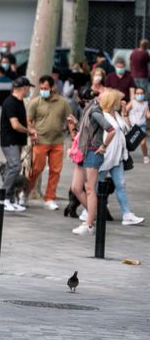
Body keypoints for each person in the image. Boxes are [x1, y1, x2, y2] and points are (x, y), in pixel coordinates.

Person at [70, 90, 117, 235]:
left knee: (89, 188)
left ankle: (89, 224)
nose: (78, 102)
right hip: (84, 152)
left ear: (84, 99)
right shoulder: (88, 110)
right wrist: (76, 123)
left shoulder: (94, 111)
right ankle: (93, 214)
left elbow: (111, 130)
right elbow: (88, 130)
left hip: (92, 152)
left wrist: (103, 147)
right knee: (76, 188)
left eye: (79, 99)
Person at [99, 91, 144, 226]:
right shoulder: (103, 116)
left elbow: (127, 129)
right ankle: (87, 210)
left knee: (121, 185)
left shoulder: (116, 114)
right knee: (95, 186)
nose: (121, 102)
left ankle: (127, 214)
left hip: (117, 157)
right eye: (119, 100)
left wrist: (124, 112)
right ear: (112, 102)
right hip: (106, 157)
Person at [27, 75, 71, 210]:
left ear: (53, 87)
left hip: (57, 141)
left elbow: (69, 120)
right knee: (36, 169)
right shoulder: (36, 102)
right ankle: (25, 192)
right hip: (40, 141)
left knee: (55, 171)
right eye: (41, 88)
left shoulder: (63, 102)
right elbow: (28, 120)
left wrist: (74, 136)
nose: (43, 90)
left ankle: (49, 198)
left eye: (45, 88)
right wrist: (31, 131)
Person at [0, 77, 35, 212]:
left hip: (17, 141)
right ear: (23, 88)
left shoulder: (20, 102)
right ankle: (2, 197)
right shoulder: (10, 103)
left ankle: (9, 199)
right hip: (9, 141)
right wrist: (29, 130)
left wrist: (31, 129)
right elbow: (15, 125)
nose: (29, 90)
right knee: (15, 166)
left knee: (11, 168)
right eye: (28, 87)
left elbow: (23, 120)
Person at [125, 86, 148, 163]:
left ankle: (145, 156)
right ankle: (125, 157)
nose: (139, 95)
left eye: (141, 93)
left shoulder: (146, 103)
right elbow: (125, 111)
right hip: (132, 126)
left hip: (142, 125)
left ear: (144, 94)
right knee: (129, 142)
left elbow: (148, 114)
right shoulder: (132, 102)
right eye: (137, 93)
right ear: (135, 94)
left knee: (143, 142)